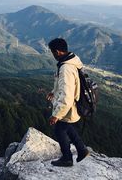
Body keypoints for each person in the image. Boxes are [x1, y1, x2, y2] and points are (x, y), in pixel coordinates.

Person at [47, 38, 90, 167]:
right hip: (73, 104)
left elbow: (67, 95)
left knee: (59, 129)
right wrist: (54, 92)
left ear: (58, 52)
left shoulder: (66, 68)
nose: (53, 55)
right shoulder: (72, 60)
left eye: (53, 52)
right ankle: (82, 150)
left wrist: (57, 114)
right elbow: (64, 86)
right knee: (67, 126)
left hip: (69, 106)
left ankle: (67, 158)